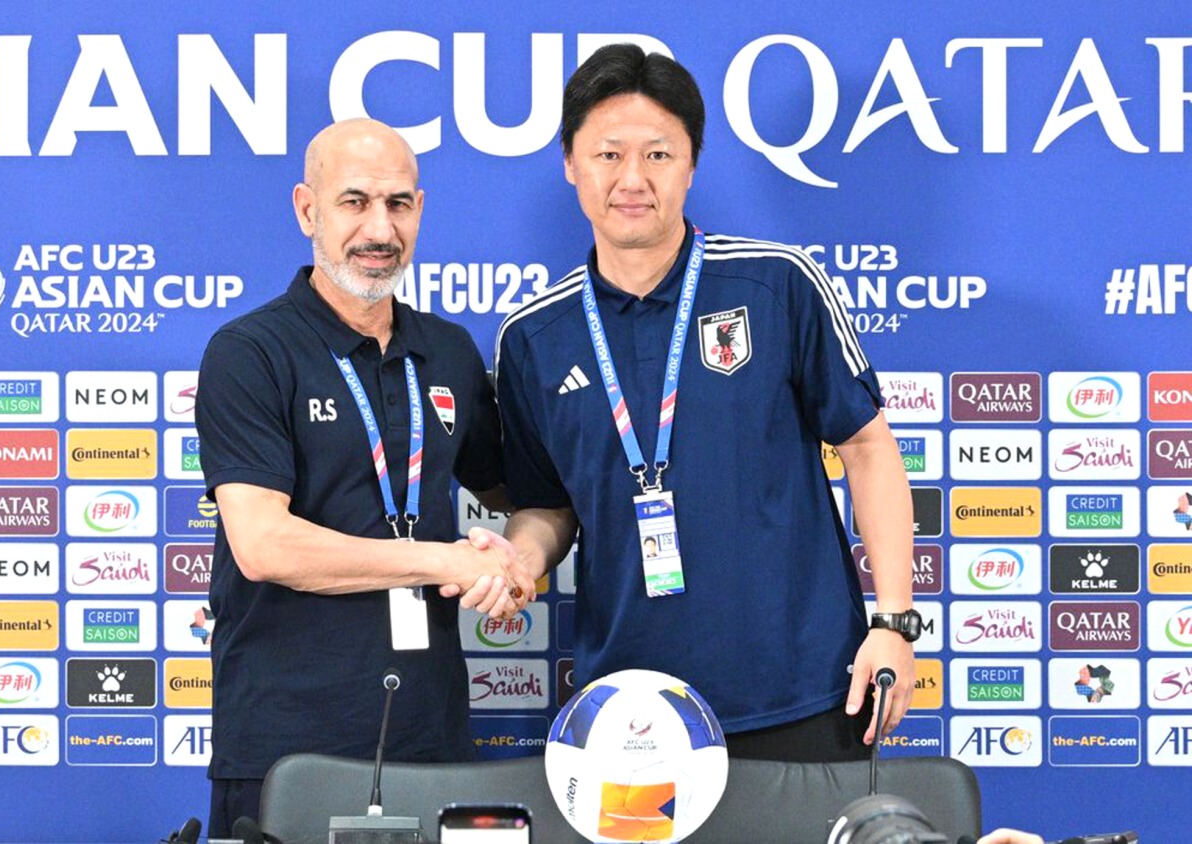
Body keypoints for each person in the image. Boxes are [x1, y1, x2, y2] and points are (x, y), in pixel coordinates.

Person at [487, 43, 916, 762]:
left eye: (658, 155)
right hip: (629, 711)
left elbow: (868, 448)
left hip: (805, 689)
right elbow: (546, 505)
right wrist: (519, 562)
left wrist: (894, 623)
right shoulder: (534, 337)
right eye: (608, 154)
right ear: (570, 163)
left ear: (691, 164)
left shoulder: (776, 284)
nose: (632, 179)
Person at [195, 118, 531, 837]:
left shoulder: (447, 352)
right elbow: (265, 545)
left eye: (399, 204)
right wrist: (442, 558)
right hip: (285, 744)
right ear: (306, 210)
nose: (380, 229)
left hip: (432, 738)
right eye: (354, 202)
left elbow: (523, 494)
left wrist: (518, 559)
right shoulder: (249, 353)